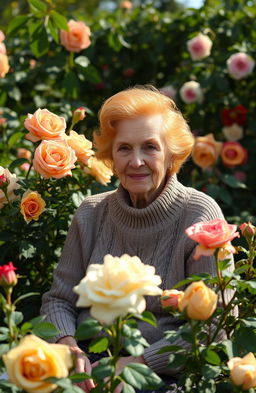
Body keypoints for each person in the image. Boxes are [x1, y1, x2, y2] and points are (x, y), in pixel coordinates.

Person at [40, 85, 234, 392]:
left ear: (172, 154)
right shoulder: (90, 213)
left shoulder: (199, 215)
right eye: (125, 148)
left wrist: (137, 364)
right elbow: (59, 301)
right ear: (110, 156)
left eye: (150, 147)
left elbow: (216, 325)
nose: (137, 161)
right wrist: (68, 346)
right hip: (88, 363)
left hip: (162, 373)